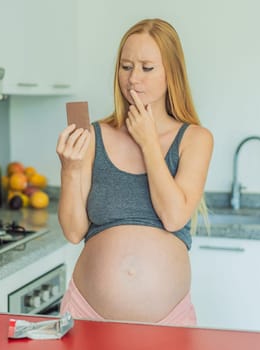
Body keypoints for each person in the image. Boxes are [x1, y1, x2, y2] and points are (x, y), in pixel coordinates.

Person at [55, 18, 213, 326]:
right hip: (88, 315)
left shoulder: (195, 139)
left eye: (146, 67)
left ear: (172, 73)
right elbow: (74, 232)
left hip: (168, 324)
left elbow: (173, 216)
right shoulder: (94, 135)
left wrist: (149, 144)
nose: (133, 79)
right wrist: (70, 170)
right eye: (126, 67)